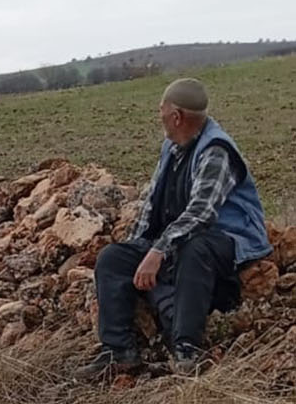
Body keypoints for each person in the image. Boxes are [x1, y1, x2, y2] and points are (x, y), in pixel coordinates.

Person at [77, 79, 272, 379]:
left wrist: (157, 251)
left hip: (228, 241)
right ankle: (119, 352)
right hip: (179, 239)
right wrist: (138, 249)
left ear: (177, 117)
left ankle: (186, 350)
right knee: (112, 259)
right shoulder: (173, 146)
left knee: (196, 249)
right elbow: (152, 203)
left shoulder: (216, 152)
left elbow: (201, 213)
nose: (159, 117)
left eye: (162, 111)